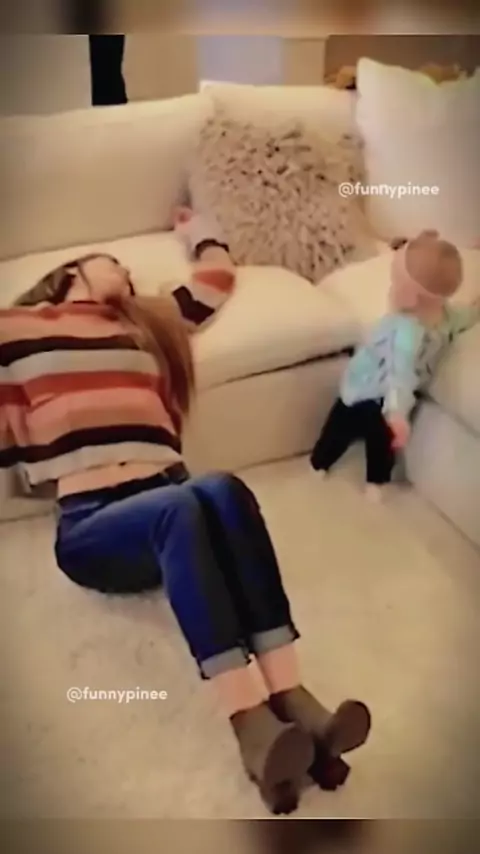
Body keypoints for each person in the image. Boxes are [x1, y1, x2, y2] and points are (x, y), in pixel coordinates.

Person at [0, 210, 371, 814]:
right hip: (95, 526)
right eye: (112, 262)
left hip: (177, 505)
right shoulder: (17, 328)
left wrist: (200, 232)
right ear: (70, 273)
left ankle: (294, 700)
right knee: (182, 506)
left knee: (222, 488)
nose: (125, 271)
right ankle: (249, 722)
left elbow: (214, 282)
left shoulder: (146, 324)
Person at [310, 229, 480, 500]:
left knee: (375, 440)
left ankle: (371, 479)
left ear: (409, 296)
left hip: (385, 394)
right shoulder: (418, 326)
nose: (390, 288)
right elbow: (400, 374)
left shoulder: (430, 324)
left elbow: (401, 373)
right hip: (362, 386)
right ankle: (323, 462)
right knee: (345, 430)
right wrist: (398, 414)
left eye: (395, 282)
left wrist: (397, 414)